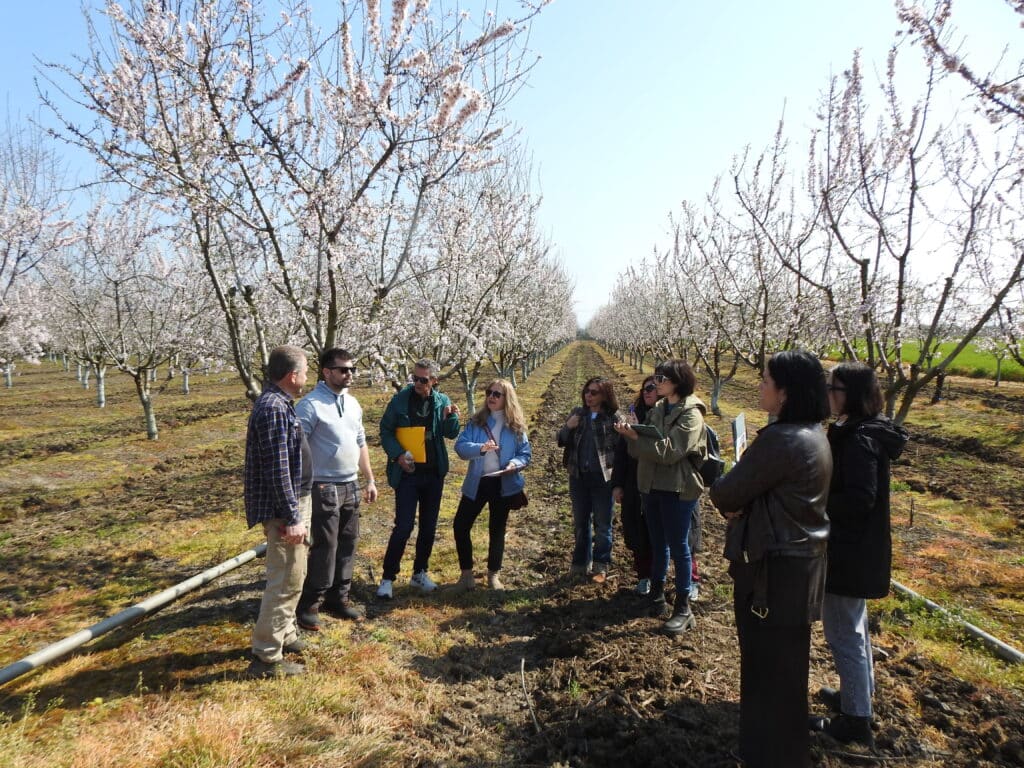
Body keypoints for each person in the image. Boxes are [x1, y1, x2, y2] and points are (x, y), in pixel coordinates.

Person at [709, 350, 832, 768]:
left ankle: (767, 755)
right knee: (786, 670)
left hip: (772, 572)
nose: (759, 386)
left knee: (766, 671)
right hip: (799, 565)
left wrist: (735, 497)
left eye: (765, 380)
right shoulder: (814, 433)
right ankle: (784, 750)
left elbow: (726, 492)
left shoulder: (781, 440)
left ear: (785, 392)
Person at [810, 362, 908, 746]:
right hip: (857, 549)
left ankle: (855, 719)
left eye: (833, 387)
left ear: (849, 393)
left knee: (843, 633)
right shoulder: (861, 431)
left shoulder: (860, 439)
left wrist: (816, 504)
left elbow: (859, 498)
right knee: (855, 628)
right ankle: (857, 697)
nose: (828, 394)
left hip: (849, 552)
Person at [614, 360, 706, 635]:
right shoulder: (658, 409)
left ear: (678, 381)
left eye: (662, 378)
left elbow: (669, 451)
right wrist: (630, 435)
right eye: (655, 377)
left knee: (679, 546)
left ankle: (682, 608)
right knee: (658, 543)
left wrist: (637, 438)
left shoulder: (692, 415)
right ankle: (656, 595)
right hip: (651, 485)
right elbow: (640, 449)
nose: (655, 383)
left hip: (678, 488)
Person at [294, 348, 378, 632]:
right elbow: (297, 448)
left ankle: (338, 598)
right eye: (343, 369)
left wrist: (369, 479)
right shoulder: (310, 405)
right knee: (325, 547)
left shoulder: (353, 404)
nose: (349, 374)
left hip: (350, 483)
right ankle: (310, 604)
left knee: (348, 542)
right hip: (323, 485)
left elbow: (360, 441)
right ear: (327, 372)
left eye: (351, 369)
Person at [244, 345, 312, 678]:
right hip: (286, 507)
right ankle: (266, 656)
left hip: (293, 502)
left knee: (294, 574)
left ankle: (285, 634)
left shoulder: (279, 404)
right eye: (306, 370)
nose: (307, 377)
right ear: (292, 375)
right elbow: (277, 469)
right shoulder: (273, 408)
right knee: (285, 579)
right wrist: (292, 517)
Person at [377, 359, 460, 598]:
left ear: (435, 381)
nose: (417, 383)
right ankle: (387, 578)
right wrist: (398, 455)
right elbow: (385, 430)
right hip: (408, 473)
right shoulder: (400, 401)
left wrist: (452, 417)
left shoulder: (442, 401)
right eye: (415, 378)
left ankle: (419, 573)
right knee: (403, 526)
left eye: (423, 380)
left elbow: (451, 433)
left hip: (433, 473)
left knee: (429, 526)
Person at [451, 379, 532, 591]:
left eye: (497, 394)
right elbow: (460, 447)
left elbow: (525, 454)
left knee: (497, 529)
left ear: (507, 399)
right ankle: (466, 575)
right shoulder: (477, 422)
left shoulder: (515, 426)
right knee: (460, 525)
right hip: (477, 483)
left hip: (502, 483)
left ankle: (493, 575)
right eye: (489, 392)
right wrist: (481, 448)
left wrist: (514, 464)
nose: (491, 397)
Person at [557, 376, 623, 583]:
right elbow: (560, 440)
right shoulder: (578, 414)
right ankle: (579, 564)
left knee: (603, 524)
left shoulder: (613, 418)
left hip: (603, 479)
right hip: (578, 477)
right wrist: (568, 426)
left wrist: (619, 483)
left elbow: (622, 452)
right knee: (581, 523)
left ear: (605, 395)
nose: (588, 395)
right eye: (587, 391)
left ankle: (600, 565)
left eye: (594, 392)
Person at [611, 376, 657, 595]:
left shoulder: (667, 417)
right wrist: (617, 484)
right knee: (637, 529)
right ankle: (644, 576)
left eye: (652, 388)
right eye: (644, 388)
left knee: (656, 531)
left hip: (658, 483)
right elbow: (620, 453)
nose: (647, 392)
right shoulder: (632, 415)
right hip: (633, 482)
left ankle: (659, 576)